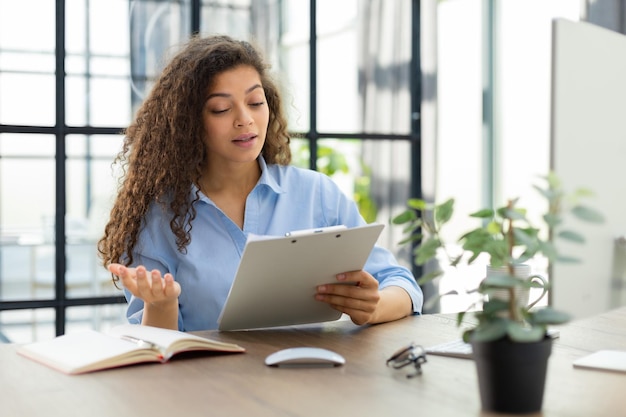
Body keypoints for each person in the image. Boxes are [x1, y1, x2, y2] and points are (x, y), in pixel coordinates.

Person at [97, 34, 423, 332]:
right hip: (207, 391)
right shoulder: (158, 218)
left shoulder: (316, 194)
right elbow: (157, 348)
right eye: (221, 108)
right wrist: (161, 303)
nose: (245, 120)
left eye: (255, 102)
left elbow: (401, 284)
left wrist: (372, 306)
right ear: (188, 123)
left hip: (312, 383)